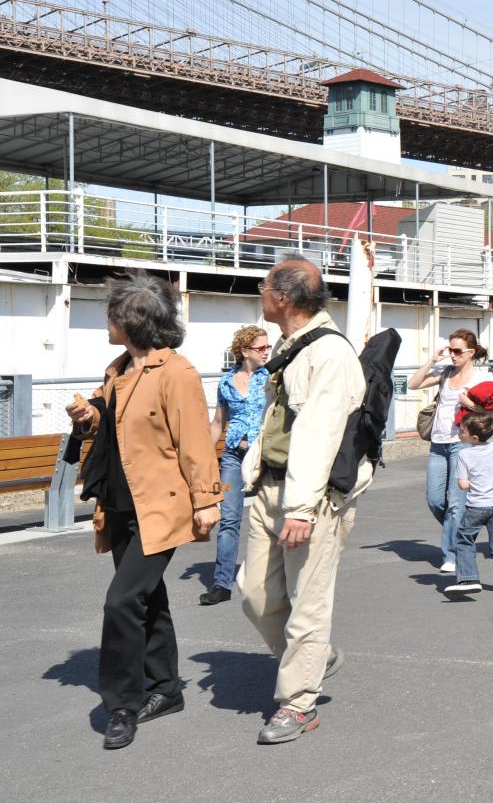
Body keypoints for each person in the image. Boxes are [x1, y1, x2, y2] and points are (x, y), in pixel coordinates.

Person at [66, 271, 224, 750]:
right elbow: (113, 423)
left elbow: (196, 441)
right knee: (147, 600)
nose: (107, 322)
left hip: (162, 507)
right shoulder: (120, 370)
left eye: (112, 314)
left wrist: (208, 500)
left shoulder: (177, 372)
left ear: (131, 320)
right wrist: (88, 416)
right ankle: (166, 689)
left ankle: (122, 704)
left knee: (121, 600)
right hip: (118, 505)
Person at [238, 254, 370, 744]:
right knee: (255, 596)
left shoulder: (329, 353)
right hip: (270, 487)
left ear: (284, 298)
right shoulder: (293, 344)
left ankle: (297, 703)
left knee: (307, 606)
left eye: (264, 286)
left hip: (309, 499)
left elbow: (319, 433)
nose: (259, 291)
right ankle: (318, 658)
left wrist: (302, 508)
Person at [408, 328, 493, 572]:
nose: (453, 355)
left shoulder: (483, 378)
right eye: (450, 350)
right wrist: (432, 360)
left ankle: (452, 555)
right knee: (435, 500)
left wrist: (472, 404)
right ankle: (462, 530)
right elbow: (414, 384)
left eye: (457, 351)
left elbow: (491, 414)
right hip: (438, 443)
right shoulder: (445, 372)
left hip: (463, 444)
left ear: (472, 352)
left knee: (456, 503)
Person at [200, 324, 271, 606]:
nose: (266, 352)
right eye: (261, 348)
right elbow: (218, 424)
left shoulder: (272, 379)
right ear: (244, 351)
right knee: (229, 518)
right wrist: (204, 459)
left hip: (265, 456)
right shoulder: (226, 382)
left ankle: (273, 580)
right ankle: (221, 584)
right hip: (232, 454)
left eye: (268, 347)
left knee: (271, 516)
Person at [444, 410, 493, 595]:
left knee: (464, 541)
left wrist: (471, 483)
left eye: (462, 431)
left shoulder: (464, 455)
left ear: (475, 437)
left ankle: (469, 578)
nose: (459, 433)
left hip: (476, 507)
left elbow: (462, 484)